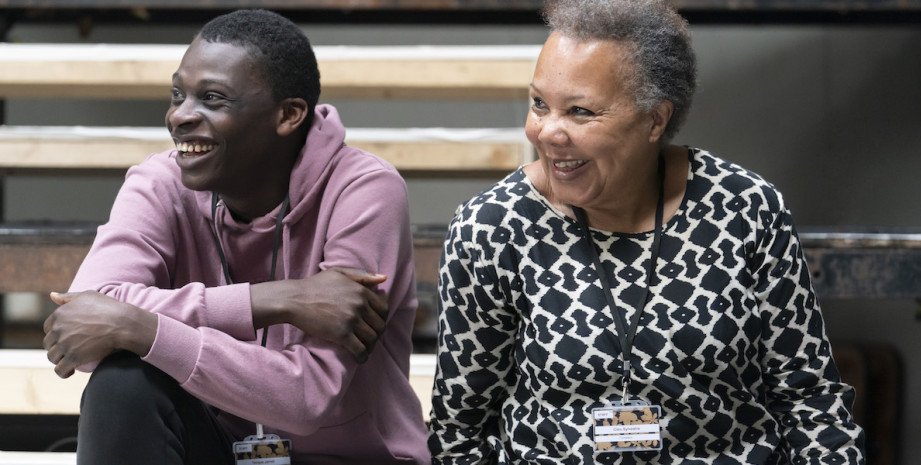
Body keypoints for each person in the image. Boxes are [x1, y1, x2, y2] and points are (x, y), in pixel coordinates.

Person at [428, 0, 864, 463]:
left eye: (580, 111)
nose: (547, 132)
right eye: (539, 104)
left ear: (655, 120)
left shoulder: (743, 209)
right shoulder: (493, 227)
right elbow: (459, 432)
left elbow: (810, 400)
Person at [41, 9, 429, 465]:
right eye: (177, 94)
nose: (180, 116)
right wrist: (276, 300)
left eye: (212, 98)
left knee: (132, 355)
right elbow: (85, 313)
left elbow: (308, 397)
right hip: (218, 448)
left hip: (346, 458)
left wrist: (138, 327)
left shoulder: (364, 190)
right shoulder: (160, 181)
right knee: (123, 383)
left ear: (288, 115)